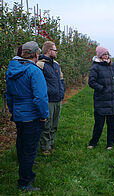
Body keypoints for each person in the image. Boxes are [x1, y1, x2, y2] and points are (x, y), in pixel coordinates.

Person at [5, 41, 49, 192]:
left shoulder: (12, 69)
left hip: (19, 115)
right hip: (32, 116)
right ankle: (24, 183)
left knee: (22, 144)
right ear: (36, 54)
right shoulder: (34, 71)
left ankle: (27, 172)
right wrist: (44, 115)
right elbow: (40, 97)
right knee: (30, 149)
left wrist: (13, 110)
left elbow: (8, 95)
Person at [37, 41, 65, 155]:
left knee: (55, 124)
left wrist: (62, 91)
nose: (56, 52)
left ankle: (51, 143)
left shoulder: (56, 64)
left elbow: (61, 79)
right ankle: (45, 147)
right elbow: (38, 83)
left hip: (58, 99)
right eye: (55, 50)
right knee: (46, 125)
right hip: (48, 100)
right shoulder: (40, 65)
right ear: (49, 51)